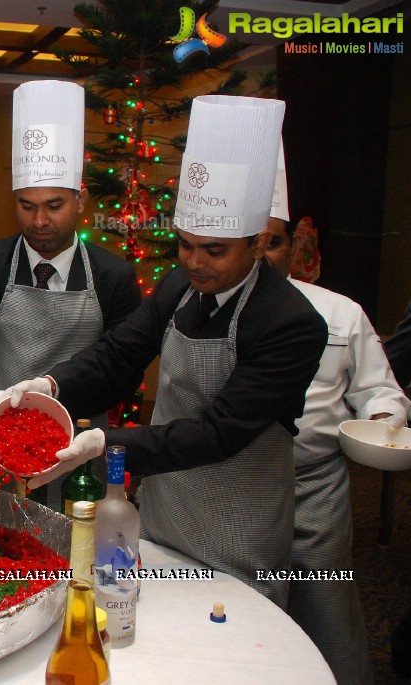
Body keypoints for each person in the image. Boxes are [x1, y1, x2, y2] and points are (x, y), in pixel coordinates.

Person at [9, 96, 327, 609]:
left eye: (214, 250)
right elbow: (120, 353)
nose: (194, 262)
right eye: (184, 244)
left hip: (239, 510)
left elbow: (219, 432)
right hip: (168, 500)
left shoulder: (290, 322)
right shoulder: (182, 285)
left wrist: (101, 442)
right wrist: (51, 386)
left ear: (258, 241)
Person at [0, 80, 140, 504]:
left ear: (82, 201)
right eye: (26, 205)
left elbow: (124, 366)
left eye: (54, 205)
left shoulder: (113, 274)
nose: (39, 220)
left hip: (73, 446)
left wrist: (58, 401)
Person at [263, 144, 407, 684]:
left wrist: (386, 421)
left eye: (272, 243)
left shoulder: (340, 314)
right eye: (246, 244)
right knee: (234, 612)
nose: (260, 257)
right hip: (228, 490)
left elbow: (380, 391)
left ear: (290, 245)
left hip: (313, 492)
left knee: (326, 612)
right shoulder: (201, 311)